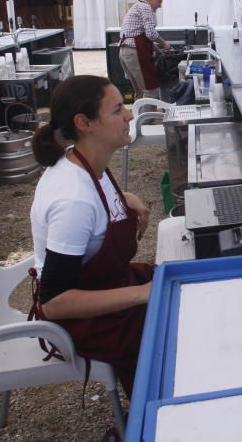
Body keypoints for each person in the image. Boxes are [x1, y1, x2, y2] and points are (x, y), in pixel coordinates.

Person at [29, 75, 154, 395]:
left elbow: (93, 200)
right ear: (84, 123)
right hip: (88, 323)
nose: (129, 115)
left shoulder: (87, 162)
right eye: (117, 110)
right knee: (171, 335)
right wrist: (143, 295)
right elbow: (54, 303)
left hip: (111, 284)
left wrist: (125, 198)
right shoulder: (72, 201)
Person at [118, 0, 170, 100]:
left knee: (140, 93)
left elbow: (142, 35)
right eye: (159, 1)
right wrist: (164, 43)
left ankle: (139, 117)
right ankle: (148, 118)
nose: (160, 5)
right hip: (134, 52)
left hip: (124, 52)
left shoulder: (137, 6)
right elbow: (151, 34)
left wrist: (159, 50)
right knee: (151, 91)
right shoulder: (146, 7)